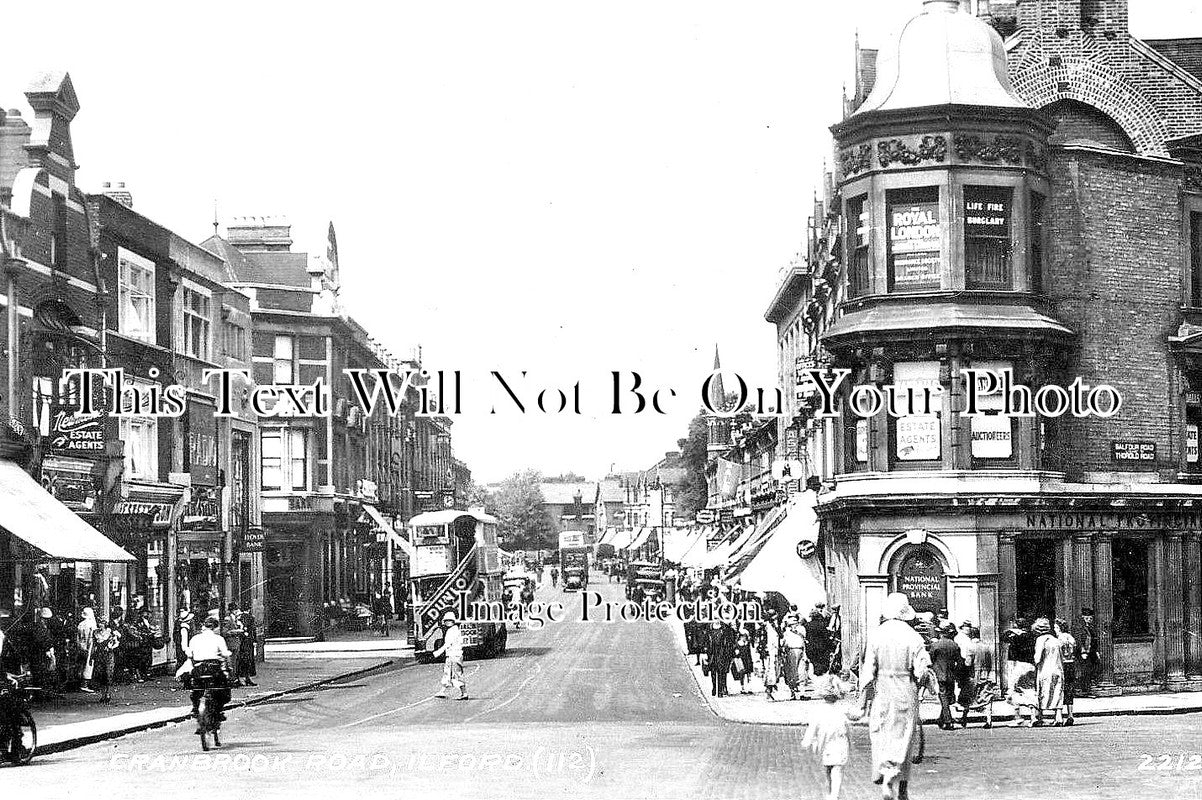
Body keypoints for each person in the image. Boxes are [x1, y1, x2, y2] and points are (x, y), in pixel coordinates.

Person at [860, 593, 931, 800]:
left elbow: (867, 672)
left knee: (883, 735)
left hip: (883, 689)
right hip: (906, 690)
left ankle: (886, 780)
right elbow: (921, 671)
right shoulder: (913, 637)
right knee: (905, 738)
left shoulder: (876, 635)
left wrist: (862, 701)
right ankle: (903, 789)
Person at [802, 675, 851, 800]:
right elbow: (855, 715)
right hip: (840, 742)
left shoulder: (818, 710)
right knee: (836, 769)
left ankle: (832, 794)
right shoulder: (842, 708)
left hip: (826, 743)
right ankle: (833, 794)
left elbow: (812, 728)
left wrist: (807, 741)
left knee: (830, 768)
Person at [185, 615, 233, 732]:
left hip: (199, 669)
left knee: (196, 688)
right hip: (213, 669)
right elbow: (225, 654)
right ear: (215, 627)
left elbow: (190, 654)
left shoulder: (195, 638)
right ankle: (219, 711)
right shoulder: (218, 639)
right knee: (223, 689)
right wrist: (229, 668)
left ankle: (195, 708)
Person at [1002, 616, 1038, 726]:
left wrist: (1012, 631)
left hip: (1019, 665)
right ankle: (1033, 716)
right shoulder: (1033, 637)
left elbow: (1004, 637)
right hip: (1031, 665)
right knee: (1030, 690)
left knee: (1013, 691)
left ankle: (1017, 716)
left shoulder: (1016, 637)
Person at [929, 624, 963, 730]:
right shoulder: (954, 645)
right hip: (951, 675)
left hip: (939, 675)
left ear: (941, 633)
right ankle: (941, 719)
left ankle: (948, 721)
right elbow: (960, 661)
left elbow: (931, 659)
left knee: (943, 697)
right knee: (947, 697)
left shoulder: (935, 645)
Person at [963, 626, 997, 728]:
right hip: (986, 674)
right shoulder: (987, 647)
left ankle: (964, 718)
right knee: (986, 696)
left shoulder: (970, 647)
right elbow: (991, 662)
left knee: (969, 696)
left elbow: (968, 663)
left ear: (971, 635)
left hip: (974, 674)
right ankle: (988, 719)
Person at [1033, 617, 1064, 726]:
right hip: (1058, 669)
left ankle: (1039, 716)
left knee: (1042, 692)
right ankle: (1059, 717)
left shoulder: (1040, 640)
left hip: (1045, 670)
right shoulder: (1055, 640)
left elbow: (1037, 658)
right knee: (1058, 691)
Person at [433, 611, 468, 700]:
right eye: (446, 621)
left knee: (455, 674)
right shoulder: (453, 630)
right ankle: (443, 691)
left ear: (453, 621)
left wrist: (437, 652)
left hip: (454, 655)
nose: (447, 622)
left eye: (449, 620)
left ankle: (464, 693)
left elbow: (448, 644)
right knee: (448, 674)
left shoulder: (453, 631)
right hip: (453, 655)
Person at [92, 615, 122, 704]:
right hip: (99, 655)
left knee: (108, 674)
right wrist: (91, 656)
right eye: (99, 623)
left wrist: (111, 647)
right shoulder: (95, 633)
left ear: (105, 624)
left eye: (102, 623)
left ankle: (108, 693)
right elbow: (93, 645)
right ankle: (103, 694)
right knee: (100, 674)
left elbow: (116, 642)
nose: (100, 625)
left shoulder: (111, 633)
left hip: (108, 655)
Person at [1055, 617, 1077, 726]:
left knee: (1060, 689)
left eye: (1056, 627)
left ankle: (1059, 716)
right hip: (1071, 664)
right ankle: (1070, 715)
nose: (1055, 629)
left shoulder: (1059, 639)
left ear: (1059, 628)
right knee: (1070, 689)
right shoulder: (1071, 638)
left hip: (1063, 665)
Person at [706, 621, 736, 697]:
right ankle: (714, 687)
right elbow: (706, 641)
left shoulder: (725, 628)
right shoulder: (709, 627)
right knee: (713, 672)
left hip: (721, 653)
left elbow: (729, 641)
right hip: (712, 653)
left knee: (720, 672)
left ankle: (720, 691)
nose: (716, 620)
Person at [782, 612, 808, 700]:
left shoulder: (801, 629)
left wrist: (805, 654)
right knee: (792, 673)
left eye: (795, 621)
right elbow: (784, 643)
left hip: (800, 649)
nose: (794, 623)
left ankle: (802, 693)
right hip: (791, 651)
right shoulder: (786, 632)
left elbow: (804, 640)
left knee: (802, 672)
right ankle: (792, 692)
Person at [1074, 607, 1098, 697]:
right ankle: (1082, 690)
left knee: (1089, 670)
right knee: (1083, 671)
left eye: (1091, 618)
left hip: (1090, 652)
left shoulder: (1090, 627)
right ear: (1083, 618)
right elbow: (1078, 640)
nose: (1089, 620)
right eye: (1087, 618)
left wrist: (1095, 651)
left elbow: (1093, 640)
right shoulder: (1079, 628)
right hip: (1083, 653)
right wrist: (1082, 651)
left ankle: (1087, 689)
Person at [805, 606, 834, 679]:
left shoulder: (807, 625)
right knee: (821, 661)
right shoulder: (822, 625)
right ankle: (821, 674)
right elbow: (826, 635)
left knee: (815, 661)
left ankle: (817, 672)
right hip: (821, 646)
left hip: (811, 647)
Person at [761, 610, 782, 701]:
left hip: (776, 651)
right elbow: (763, 639)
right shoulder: (765, 626)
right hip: (769, 652)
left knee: (776, 671)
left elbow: (780, 636)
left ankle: (771, 689)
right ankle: (768, 691)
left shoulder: (776, 626)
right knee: (770, 671)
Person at [221, 603, 245, 683]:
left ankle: (234, 679)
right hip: (231, 644)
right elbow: (225, 632)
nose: (237, 611)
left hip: (235, 644)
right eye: (235, 609)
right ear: (232, 610)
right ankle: (231, 680)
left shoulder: (234, 618)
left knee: (235, 663)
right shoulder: (228, 619)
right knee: (231, 663)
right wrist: (236, 631)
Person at [75, 607, 98, 693]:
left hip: (81, 645)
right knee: (88, 665)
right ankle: (85, 684)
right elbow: (90, 638)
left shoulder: (80, 624)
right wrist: (90, 648)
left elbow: (77, 637)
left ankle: (80, 683)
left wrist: (80, 646)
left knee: (81, 664)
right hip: (89, 646)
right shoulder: (91, 624)